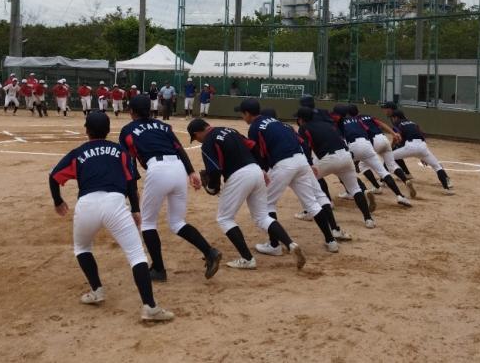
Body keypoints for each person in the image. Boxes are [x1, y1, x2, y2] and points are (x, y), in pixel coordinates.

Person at [48, 111, 174, 322]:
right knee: (137, 255)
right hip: (115, 203)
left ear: (86, 130)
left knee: (82, 247)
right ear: (108, 130)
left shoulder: (78, 152)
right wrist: (135, 209)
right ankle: (150, 307)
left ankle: (97, 290)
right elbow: (131, 183)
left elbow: (53, 176)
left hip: (86, 205)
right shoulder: (121, 151)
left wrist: (57, 200)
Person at [119, 95, 221, 283]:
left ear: (131, 111)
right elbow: (179, 148)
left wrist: (132, 192)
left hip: (157, 170)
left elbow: (129, 165)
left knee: (148, 223)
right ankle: (209, 251)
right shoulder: (163, 126)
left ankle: (158, 269)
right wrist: (191, 172)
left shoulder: (127, 130)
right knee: (177, 222)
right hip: (178, 169)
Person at [187, 118, 306, 271]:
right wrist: (262, 168)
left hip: (238, 176)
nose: (198, 140)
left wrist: (212, 188)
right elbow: (253, 146)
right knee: (262, 216)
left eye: (195, 137)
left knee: (224, 218)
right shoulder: (230, 130)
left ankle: (247, 259)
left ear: (198, 132)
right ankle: (290, 244)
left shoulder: (208, 142)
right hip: (255, 171)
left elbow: (214, 170)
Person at [236, 98, 341, 255]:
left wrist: (262, 170)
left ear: (247, 113)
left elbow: (259, 152)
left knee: (267, 204)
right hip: (301, 161)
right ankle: (331, 241)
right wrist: (309, 163)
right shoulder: (281, 123)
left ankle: (274, 245)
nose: (242, 117)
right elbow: (302, 143)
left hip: (283, 164)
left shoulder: (255, 127)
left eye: (242, 114)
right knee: (312, 203)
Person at [296, 106, 379, 229]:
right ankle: (368, 219)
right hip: (345, 156)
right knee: (355, 189)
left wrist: (309, 163)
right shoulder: (328, 124)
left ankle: (310, 211)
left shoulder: (304, 128)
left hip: (328, 159)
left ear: (301, 119)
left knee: (307, 180)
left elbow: (305, 147)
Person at [343, 104, 415, 199]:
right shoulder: (368, 116)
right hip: (384, 139)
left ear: (348, 114)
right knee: (392, 165)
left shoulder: (354, 121)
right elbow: (382, 124)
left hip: (373, 141)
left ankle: (377, 187)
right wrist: (393, 133)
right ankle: (406, 180)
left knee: (362, 165)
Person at [389, 110, 453, 193]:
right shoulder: (414, 123)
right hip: (422, 146)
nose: (393, 120)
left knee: (388, 157)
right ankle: (447, 189)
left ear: (396, 117)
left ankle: (383, 180)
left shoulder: (397, 124)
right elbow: (422, 136)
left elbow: (397, 137)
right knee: (437, 167)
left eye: (393, 118)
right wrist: (422, 157)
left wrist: (392, 147)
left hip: (410, 146)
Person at [380, 101, 413, 179]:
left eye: (386, 109)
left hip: (407, 139)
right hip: (405, 138)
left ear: (390, 109)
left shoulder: (396, 117)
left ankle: (383, 178)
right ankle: (407, 173)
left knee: (389, 155)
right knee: (395, 153)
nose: (384, 111)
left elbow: (397, 134)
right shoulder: (394, 116)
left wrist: (392, 145)